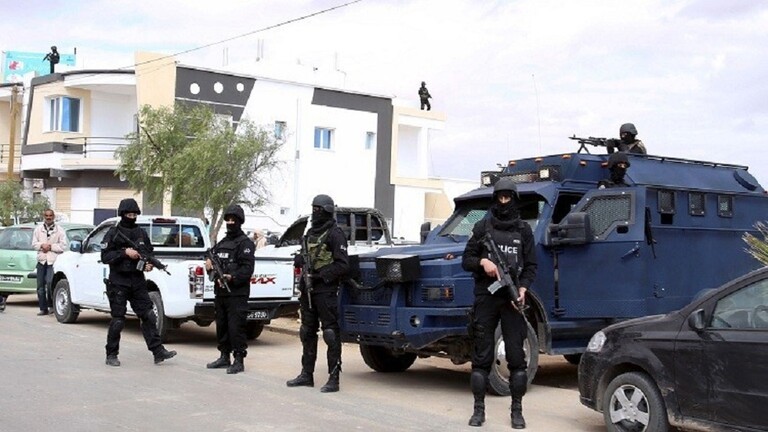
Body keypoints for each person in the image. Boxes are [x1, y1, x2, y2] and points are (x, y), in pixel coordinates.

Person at [462, 178, 537, 429]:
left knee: (516, 357)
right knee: (481, 356)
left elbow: (531, 265)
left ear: (514, 199)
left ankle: (517, 411)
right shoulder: (482, 227)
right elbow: (466, 259)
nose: (504, 201)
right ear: (495, 199)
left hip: (512, 300)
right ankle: (478, 410)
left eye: (508, 197)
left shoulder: (524, 230)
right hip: (486, 296)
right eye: (501, 197)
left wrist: (523, 288)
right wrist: (482, 262)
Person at [100, 198, 177, 367]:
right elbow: (105, 257)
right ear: (122, 214)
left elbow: (148, 253)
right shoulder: (113, 233)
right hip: (119, 281)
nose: (131, 217)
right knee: (118, 320)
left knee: (148, 315)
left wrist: (149, 265)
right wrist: (124, 253)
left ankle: (158, 351)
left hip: (137, 280)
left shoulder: (141, 233)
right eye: (128, 214)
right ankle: (111, 354)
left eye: (134, 214)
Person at [286, 194, 349, 393]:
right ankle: (307, 374)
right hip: (308, 289)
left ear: (327, 211)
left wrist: (322, 274)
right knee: (306, 331)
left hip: (325, 290)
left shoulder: (335, 234)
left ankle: (334, 378)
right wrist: (300, 260)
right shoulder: (310, 233)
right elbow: (306, 255)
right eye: (313, 209)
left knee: (330, 333)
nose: (315, 213)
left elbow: (343, 264)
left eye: (318, 209)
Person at [205, 204, 256, 374]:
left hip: (237, 294)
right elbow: (211, 256)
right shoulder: (223, 242)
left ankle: (239, 359)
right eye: (228, 219)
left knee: (236, 328)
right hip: (220, 293)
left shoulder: (245, 243)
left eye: (233, 220)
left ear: (240, 221)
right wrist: (209, 264)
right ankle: (224, 356)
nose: (230, 222)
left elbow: (247, 269)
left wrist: (232, 277)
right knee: (222, 326)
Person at [32, 209, 67, 316]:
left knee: (50, 283)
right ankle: (43, 308)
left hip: (53, 261)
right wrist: (42, 245)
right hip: (42, 261)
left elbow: (63, 246)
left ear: (53, 217)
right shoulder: (38, 229)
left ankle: (51, 305)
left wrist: (51, 247)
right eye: (46, 216)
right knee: (40, 286)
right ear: (44, 216)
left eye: (50, 215)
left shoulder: (59, 230)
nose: (48, 217)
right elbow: (34, 244)